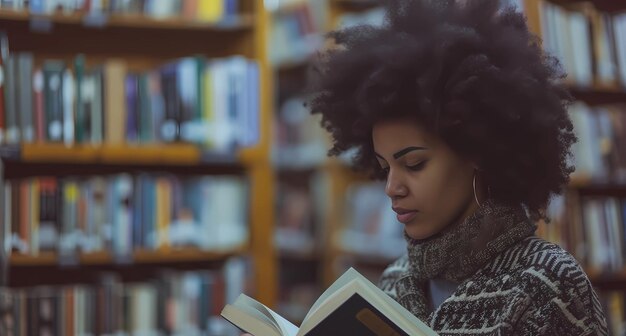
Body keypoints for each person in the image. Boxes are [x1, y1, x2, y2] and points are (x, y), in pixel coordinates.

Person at [301, 0, 608, 335]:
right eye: (384, 167)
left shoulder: (549, 283)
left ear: (475, 151)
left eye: (414, 164)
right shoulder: (391, 284)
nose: (392, 187)